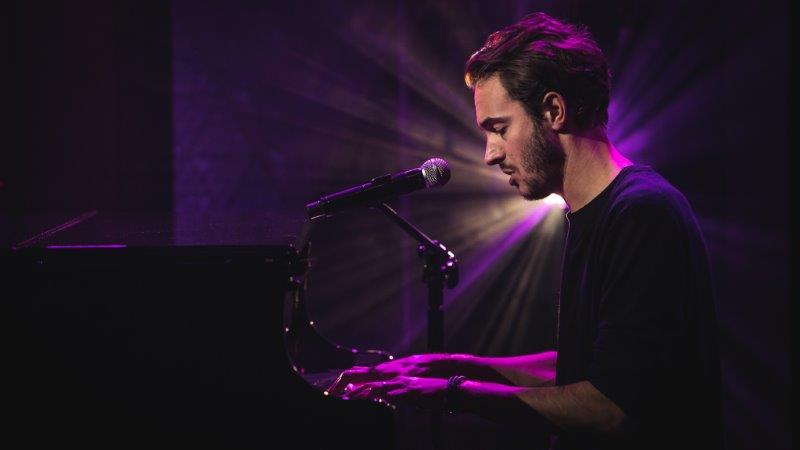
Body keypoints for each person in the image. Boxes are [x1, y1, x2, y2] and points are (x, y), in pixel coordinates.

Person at [328, 12, 722, 450]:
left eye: (499, 129)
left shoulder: (642, 214)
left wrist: (454, 393)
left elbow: (612, 409)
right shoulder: (595, 212)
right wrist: (452, 367)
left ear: (553, 111)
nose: (490, 155)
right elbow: (583, 369)